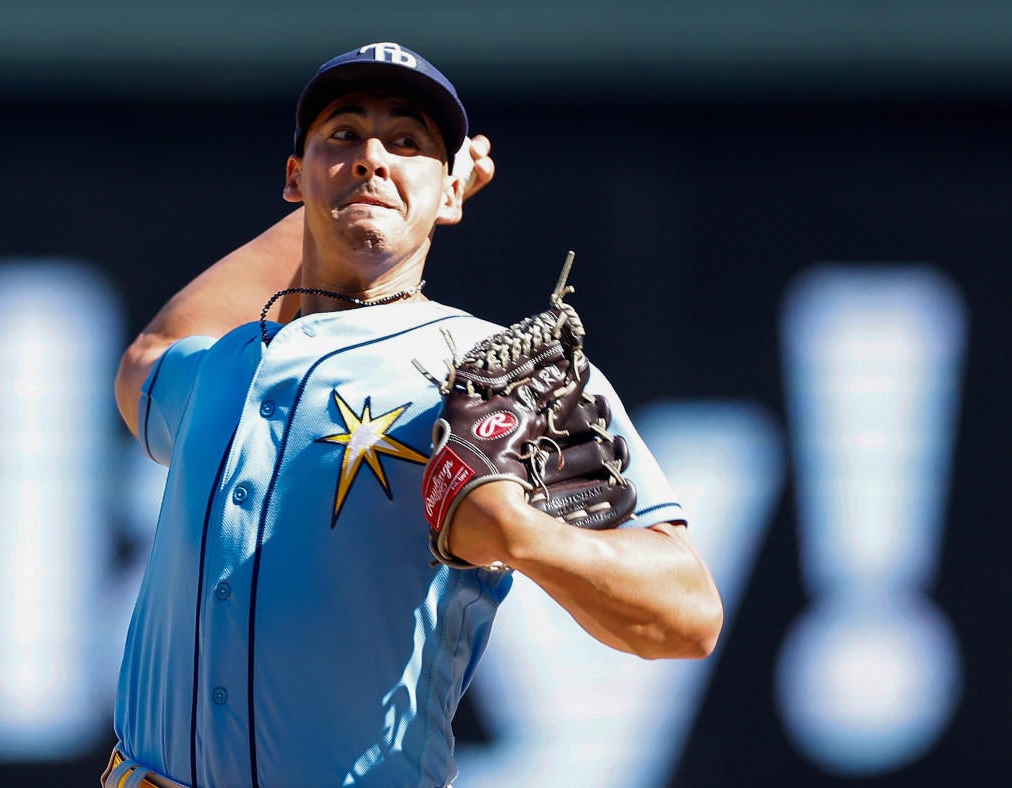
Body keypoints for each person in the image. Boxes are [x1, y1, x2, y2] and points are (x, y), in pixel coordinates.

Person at [108, 41, 722, 788]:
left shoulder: (495, 371)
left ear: (454, 193)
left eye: (407, 143)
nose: (372, 157)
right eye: (343, 137)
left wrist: (526, 536)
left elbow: (688, 611)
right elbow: (152, 354)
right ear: (293, 177)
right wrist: (369, 195)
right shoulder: (224, 365)